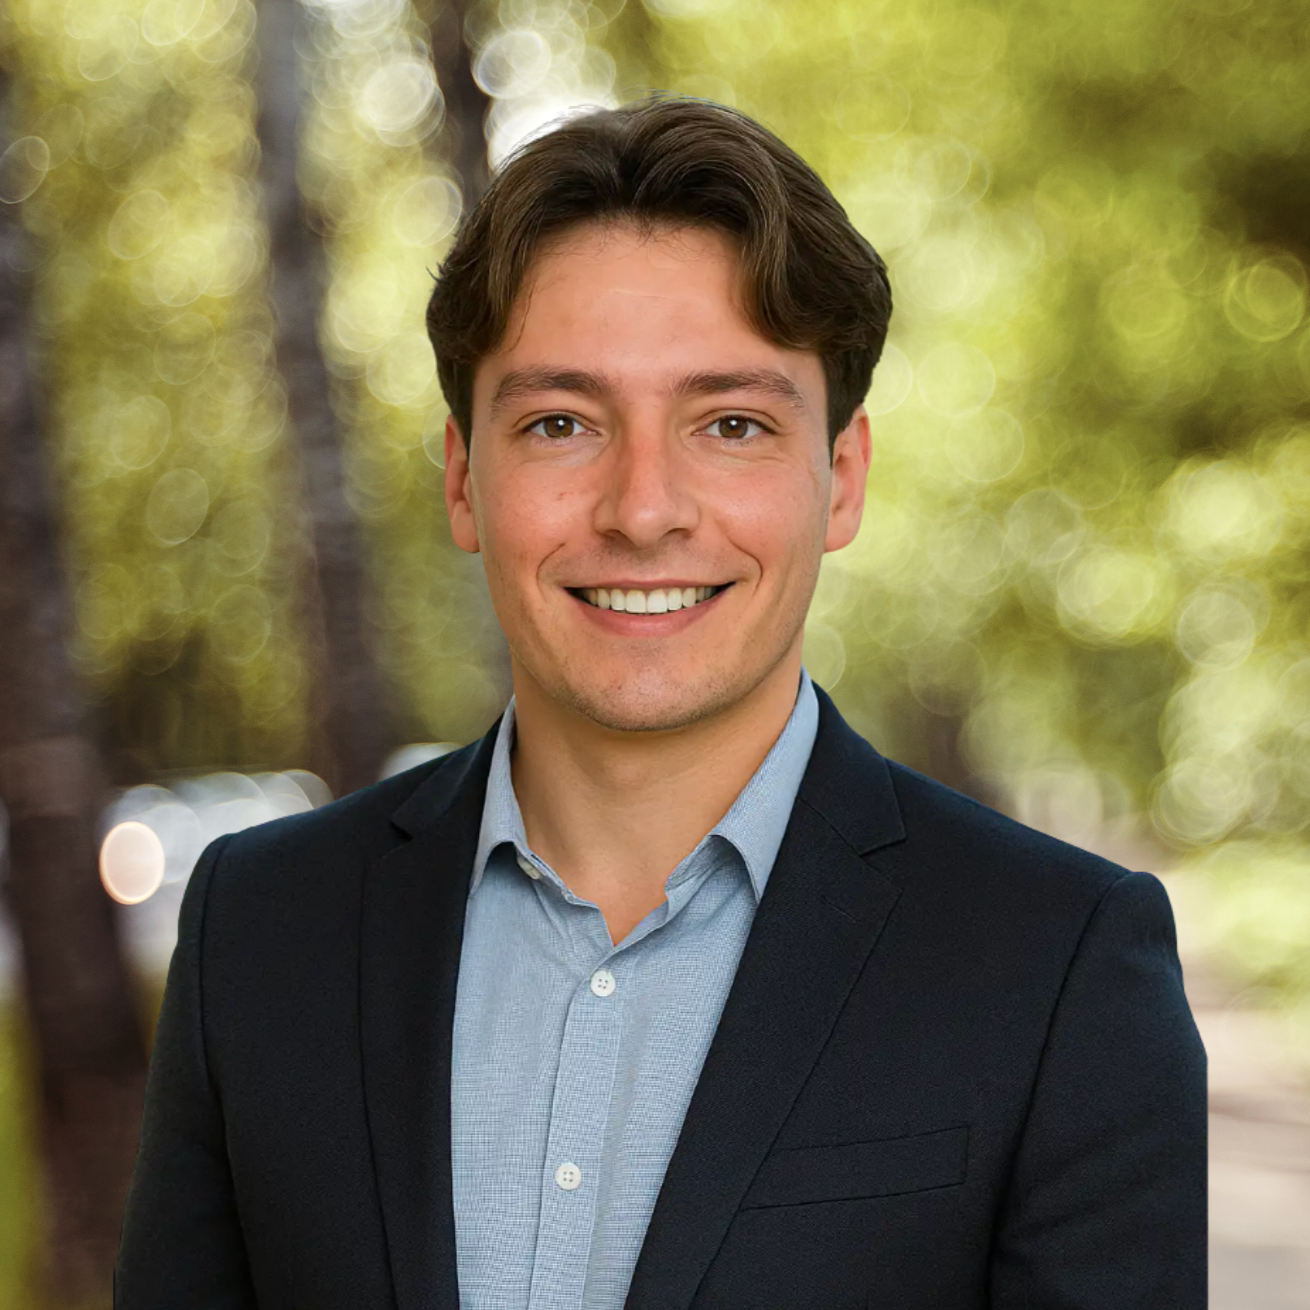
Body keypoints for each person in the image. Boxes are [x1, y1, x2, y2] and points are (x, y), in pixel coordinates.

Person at [116, 98, 1206, 1309]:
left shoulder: (1058, 966)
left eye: (730, 423)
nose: (642, 509)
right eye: (560, 423)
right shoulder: (260, 928)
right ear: (464, 479)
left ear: (839, 479)